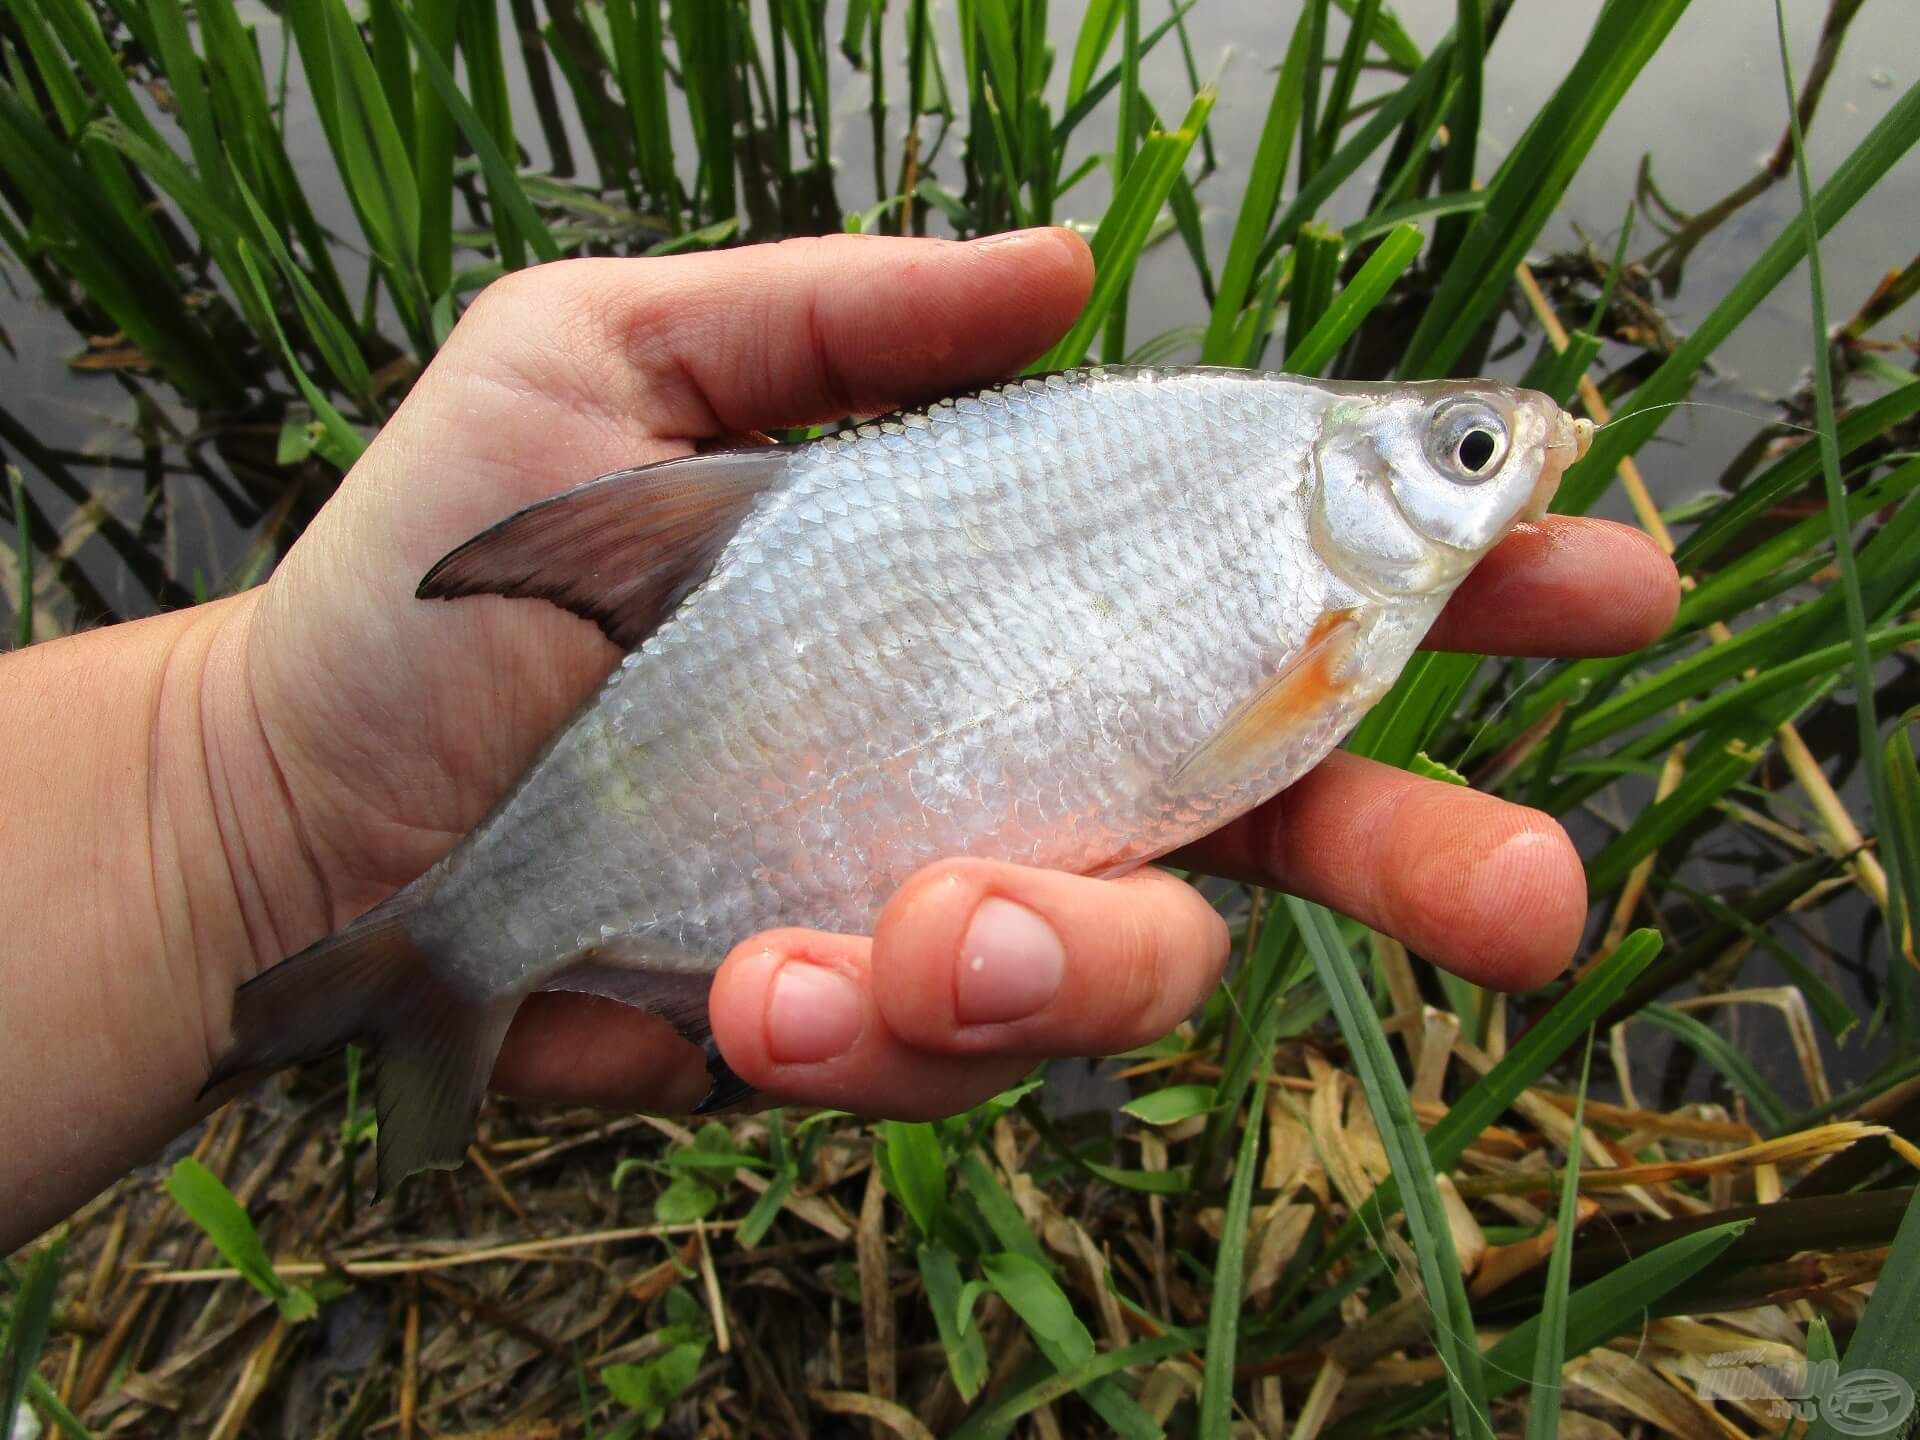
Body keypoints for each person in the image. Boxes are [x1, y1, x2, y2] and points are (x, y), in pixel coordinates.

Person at [0, 230, 1679, 1251]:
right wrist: (243, 803)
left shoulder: (1291, 508)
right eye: (1471, 450)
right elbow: (1236, 733)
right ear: (1365, 477)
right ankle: (438, 960)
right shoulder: (1284, 494)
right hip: (762, 625)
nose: (1507, 453)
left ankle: (429, 970)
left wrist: (220, 823)